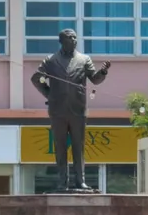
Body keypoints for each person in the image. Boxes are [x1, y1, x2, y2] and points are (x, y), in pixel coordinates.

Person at [30, 28, 111, 191]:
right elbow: (35, 78)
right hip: (57, 111)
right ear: (62, 41)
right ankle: (62, 181)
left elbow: (94, 80)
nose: (74, 40)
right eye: (70, 38)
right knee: (60, 147)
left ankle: (80, 181)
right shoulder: (51, 60)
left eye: (75, 38)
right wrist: (49, 94)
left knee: (78, 146)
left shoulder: (84, 59)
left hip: (78, 110)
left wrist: (103, 72)